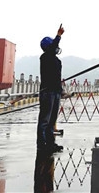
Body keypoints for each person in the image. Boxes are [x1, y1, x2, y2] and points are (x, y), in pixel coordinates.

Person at [37, 24, 65, 152]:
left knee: (52, 120)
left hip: (55, 92)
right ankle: (42, 145)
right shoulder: (45, 58)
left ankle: (50, 144)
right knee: (45, 120)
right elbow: (52, 47)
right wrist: (58, 36)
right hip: (47, 92)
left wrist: (61, 90)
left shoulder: (56, 61)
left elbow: (57, 77)